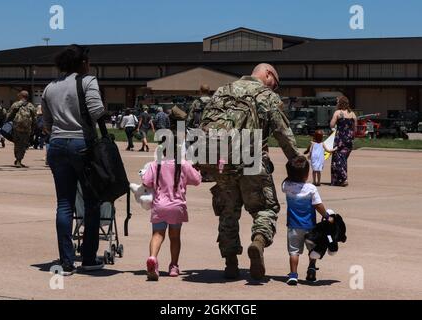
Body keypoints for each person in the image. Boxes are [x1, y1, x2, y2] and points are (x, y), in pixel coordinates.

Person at [208, 63, 300, 280]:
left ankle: (230, 263)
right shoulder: (266, 95)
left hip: (221, 160)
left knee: (228, 213)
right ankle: (258, 241)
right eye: (275, 83)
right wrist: (297, 161)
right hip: (252, 156)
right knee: (265, 208)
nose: (274, 88)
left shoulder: (223, 90)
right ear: (267, 74)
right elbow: (282, 131)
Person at [42, 44, 106, 275]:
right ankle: (88, 257)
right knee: (92, 202)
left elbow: (47, 123)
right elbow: (97, 111)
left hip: (57, 145)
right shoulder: (88, 81)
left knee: (64, 203)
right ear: (82, 63)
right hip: (82, 144)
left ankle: (66, 262)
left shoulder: (50, 87)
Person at [141, 142, 202, 281]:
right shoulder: (184, 164)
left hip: (159, 205)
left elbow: (146, 181)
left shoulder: (155, 164)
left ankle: (153, 258)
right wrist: (198, 170)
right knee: (174, 237)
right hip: (177, 206)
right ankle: (174, 266)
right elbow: (197, 180)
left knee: (157, 234)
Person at [282, 156, 334, 285]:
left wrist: (290, 175)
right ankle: (311, 269)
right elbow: (318, 206)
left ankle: (293, 275)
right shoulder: (311, 188)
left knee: (294, 252)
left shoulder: (286, 186)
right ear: (306, 174)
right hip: (310, 227)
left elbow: (285, 181)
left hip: (293, 226)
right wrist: (327, 216)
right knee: (313, 249)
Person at [330, 96, 357, 187]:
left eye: (337, 102)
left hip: (340, 139)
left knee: (338, 159)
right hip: (349, 139)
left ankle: (343, 179)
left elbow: (332, 124)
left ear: (340, 103)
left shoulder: (338, 113)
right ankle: (340, 179)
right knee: (343, 159)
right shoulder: (353, 114)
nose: (336, 103)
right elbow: (355, 128)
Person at [6, 91, 36, 167]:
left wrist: (7, 123)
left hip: (16, 128)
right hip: (26, 128)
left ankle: (18, 160)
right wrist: (33, 128)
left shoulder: (15, 104)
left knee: (17, 144)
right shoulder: (31, 106)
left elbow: (8, 115)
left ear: (21, 96)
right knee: (23, 145)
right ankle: (19, 160)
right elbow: (34, 118)